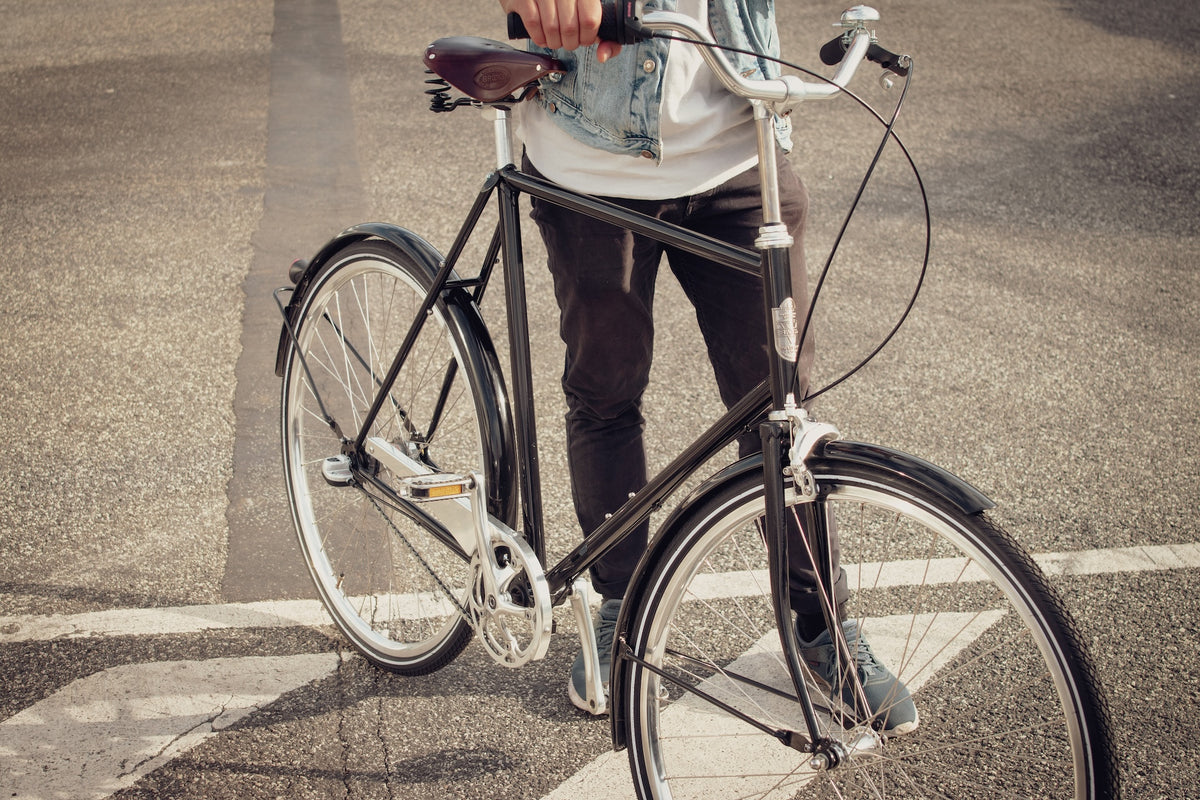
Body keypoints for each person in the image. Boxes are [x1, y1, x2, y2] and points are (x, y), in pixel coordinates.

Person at [498, 0, 918, 734]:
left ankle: (819, 624)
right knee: (606, 392)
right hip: (592, 157)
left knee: (782, 412)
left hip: (741, 140)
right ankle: (621, 608)